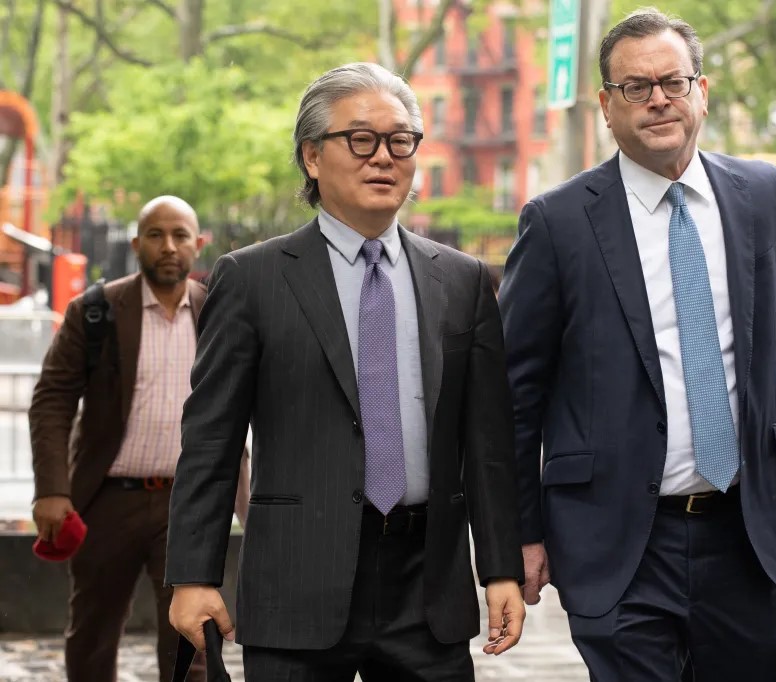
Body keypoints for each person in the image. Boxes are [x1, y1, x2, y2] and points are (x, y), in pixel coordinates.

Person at [498, 9, 776, 681]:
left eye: (672, 80)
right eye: (635, 87)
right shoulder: (557, 223)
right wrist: (520, 534)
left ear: (703, 90)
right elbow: (516, 398)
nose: (658, 98)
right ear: (607, 107)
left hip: (748, 531)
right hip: (616, 538)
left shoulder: (757, 194)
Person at [165, 62, 526, 682]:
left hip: (426, 586)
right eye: (360, 139)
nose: (383, 157)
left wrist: (499, 568)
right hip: (298, 582)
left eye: (401, 140)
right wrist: (193, 577)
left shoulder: (462, 281)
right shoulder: (252, 279)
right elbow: (211, 442)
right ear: (311, 156)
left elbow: (487, 444)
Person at [28, 195, 250, 682]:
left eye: (180, 235)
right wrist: (52, 490)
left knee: (190, 641)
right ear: (136, 244)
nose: (168, 246)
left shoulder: (221, 313)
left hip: (191, 504)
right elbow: (52, 400)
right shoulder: (96, 313)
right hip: (108, 501)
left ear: (198, 244)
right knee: (92, 633)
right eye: (155, 235)